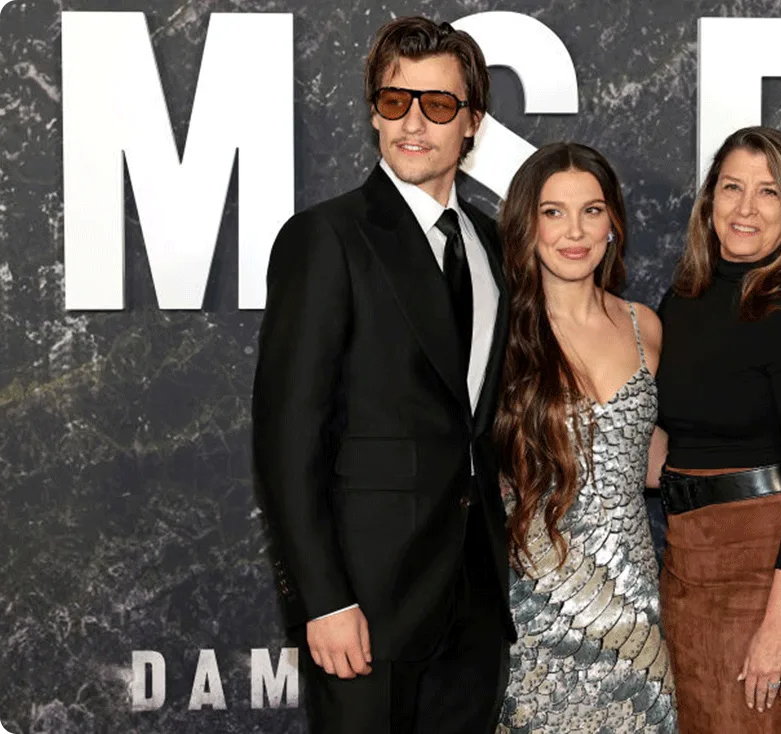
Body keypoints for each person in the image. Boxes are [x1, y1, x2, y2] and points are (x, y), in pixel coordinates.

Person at [251, 17, 513, 733]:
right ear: (375, 111)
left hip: (474, 604)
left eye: (438, 104)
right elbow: (287, 437)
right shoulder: (327, 237)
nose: (413, 123)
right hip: (365, 607)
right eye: (396, 101)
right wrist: (324, 600)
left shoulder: (492, 244)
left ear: (473, 123)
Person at [656, 126, 781, 733]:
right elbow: (665, 440)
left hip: (764, 565)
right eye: (732, 187)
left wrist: (780, 626)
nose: (745, 208)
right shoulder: (683, 299)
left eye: (768, 192)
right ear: (708, 203)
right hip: (684, 559)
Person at [493, 142, 676, 733]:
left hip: (635, 618)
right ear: (528, 224)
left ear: (613, 224)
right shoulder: (498, 335)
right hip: (536, 618)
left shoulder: (643, 324)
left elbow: (647, 454)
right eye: (553, 212)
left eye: (591, 211)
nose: (574, 231)